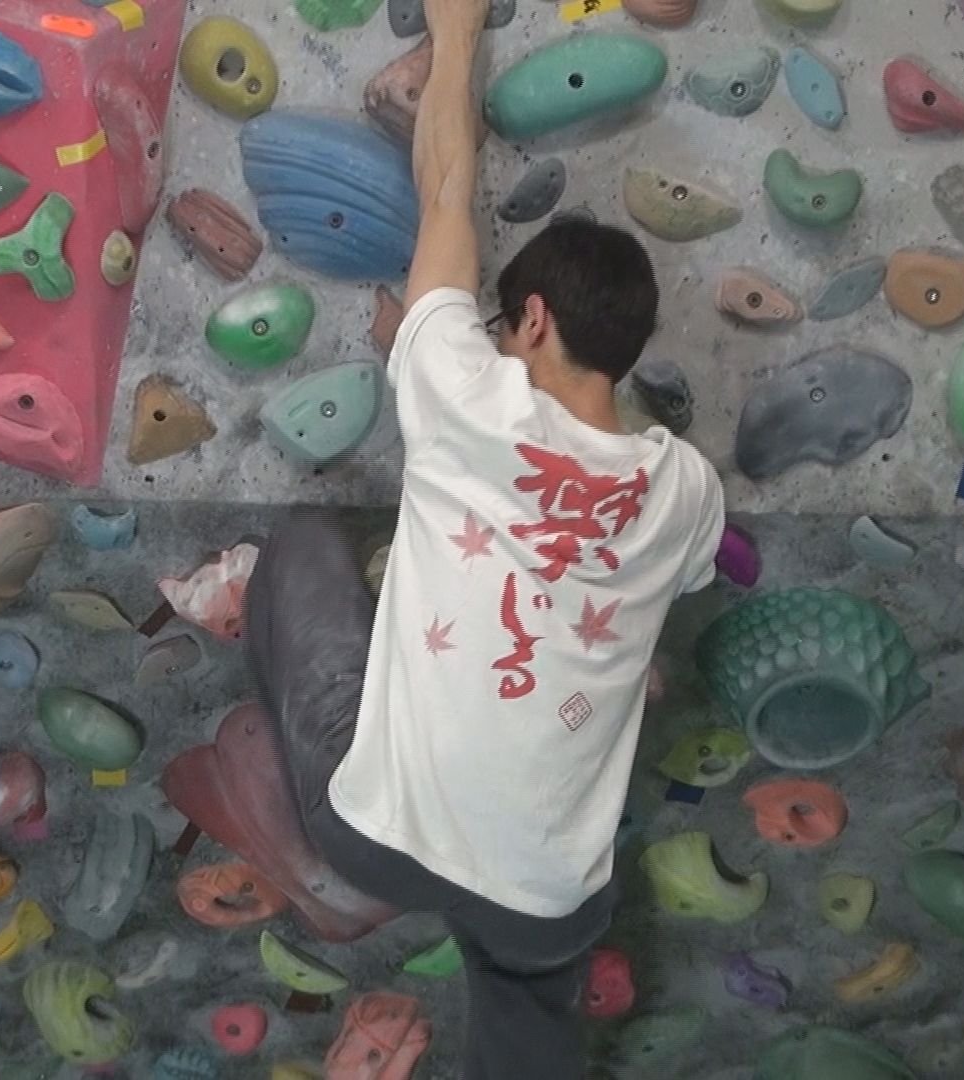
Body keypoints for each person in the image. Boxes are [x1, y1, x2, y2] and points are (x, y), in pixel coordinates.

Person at [243, 0, 726, 1070]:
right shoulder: (686, 488)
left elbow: (446, 191)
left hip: (373, 837)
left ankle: (269, 660)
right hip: (543, 900)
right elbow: (682, 579)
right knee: (530, 1010)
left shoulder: (463, 390)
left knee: (302, 540)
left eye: (507, 328)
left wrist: (457, 35)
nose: (498, 342)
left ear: (535, 321)